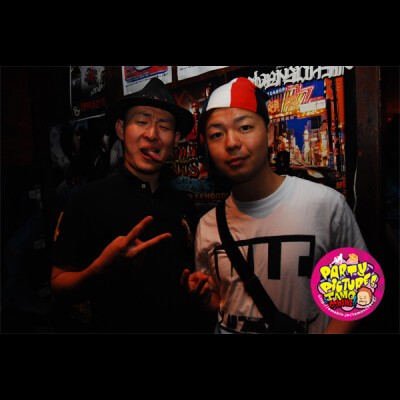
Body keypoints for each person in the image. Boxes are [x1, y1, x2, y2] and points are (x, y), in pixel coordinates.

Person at [181, 77, 368, 334]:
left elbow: (358, 293)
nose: (231, 142)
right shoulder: (208, 225)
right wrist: (205, 298)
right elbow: (223, 300)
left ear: (269, 134)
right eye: (216, 134)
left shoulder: (324, 205)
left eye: (245, 127)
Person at [51, 77, 213, 333]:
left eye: (164, 126)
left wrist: (195, 287)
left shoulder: (183, 204)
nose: (152, 134)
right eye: (141, 122)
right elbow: (58, 285)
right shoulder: (88, 200)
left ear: (175, 139)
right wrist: (100, 270)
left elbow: (184, 277)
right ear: (121, 129)